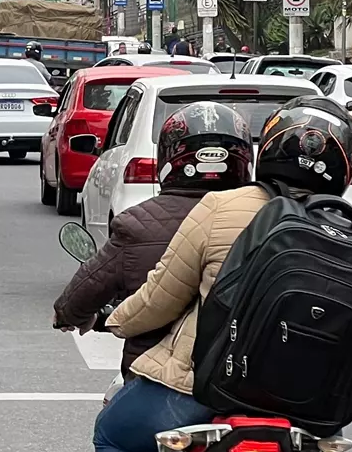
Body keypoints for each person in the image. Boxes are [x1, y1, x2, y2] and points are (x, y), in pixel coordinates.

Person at [91, 97, 352, 452]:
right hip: (306, 403)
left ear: (267, 147)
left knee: (111, 436)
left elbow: (158, 300)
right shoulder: (348, 230)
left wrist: (116, 321)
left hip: (205, 390)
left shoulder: (221, 207)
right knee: (324, 451)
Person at [53, 102, 254, 380]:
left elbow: (90, 290)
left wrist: (68, 314)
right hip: (244, 380)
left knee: (109, 426)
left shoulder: (138, 224)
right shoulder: (269, 218)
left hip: (158, 380)